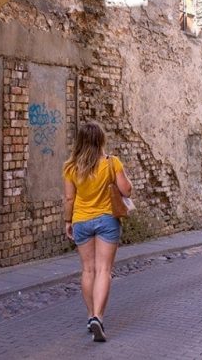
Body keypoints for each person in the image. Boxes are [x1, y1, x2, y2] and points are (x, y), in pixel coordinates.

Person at [62, 121, 133, 343]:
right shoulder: (112, 163)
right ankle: (98, 318)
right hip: (106, 220)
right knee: (104, 270)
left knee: (88, 271)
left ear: (80, 142)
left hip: (81, 221)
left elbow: (69, 198)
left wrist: (67, 221)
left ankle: (89, 316)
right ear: (101, 140)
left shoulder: (70, 167)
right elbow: (126, 189)